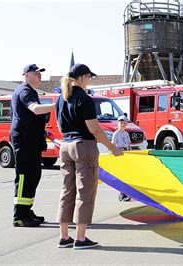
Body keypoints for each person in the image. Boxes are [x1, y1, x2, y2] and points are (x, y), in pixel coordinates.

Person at [56, 64, 123, 249]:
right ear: (83, 77)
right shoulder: (85, 99)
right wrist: (112, 147)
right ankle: (81, 238)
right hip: (83, 147)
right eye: (89, 77)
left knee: (67, 192)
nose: (90, 80)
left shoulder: (61, 98)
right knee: (85, 193)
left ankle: (64, 237)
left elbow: (60, 126)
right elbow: (94, 129)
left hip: (65, 146)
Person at [11, 64, 56, 227]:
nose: (40, 76)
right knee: (25, 176)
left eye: (40, 74)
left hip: (32, 140)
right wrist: (57, 105)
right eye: (36, 73)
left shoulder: (31, 92)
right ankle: (19, 216)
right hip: (24, 141)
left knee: (33, 175)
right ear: (26, 75)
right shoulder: (24, 91)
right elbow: (35, 110)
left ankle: (27, 210)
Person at [112, 115, 132, 202]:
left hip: (126, 155)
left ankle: (126, 193)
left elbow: (128, 145)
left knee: (127, 175)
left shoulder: (126, 134)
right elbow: (113, 145)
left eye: (124, 123)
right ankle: (121, 194)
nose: (122, 124)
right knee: (121, 175)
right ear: (118, 123)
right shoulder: (116, 133)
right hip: (119, 154)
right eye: (121, 123)